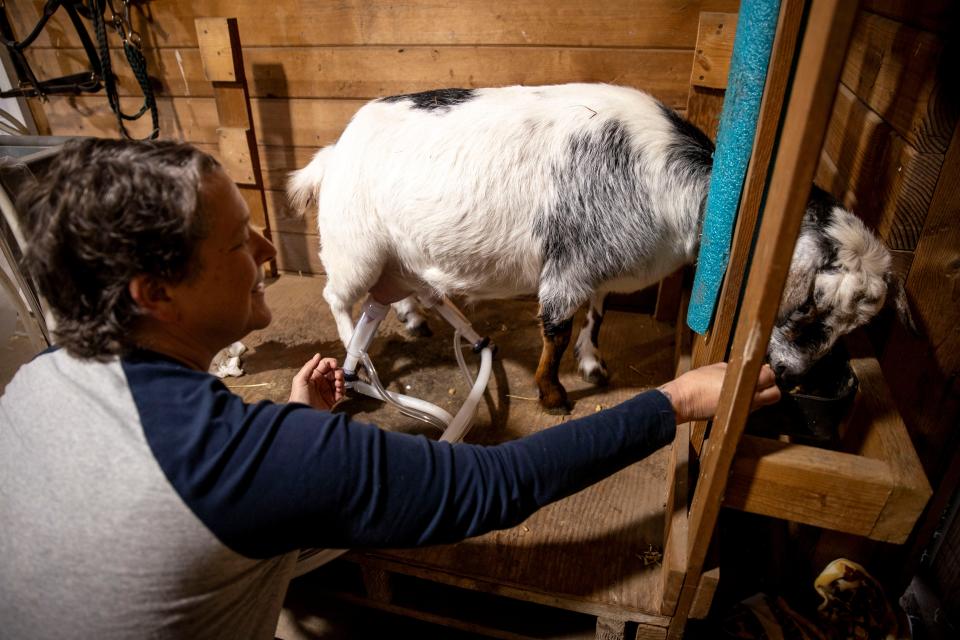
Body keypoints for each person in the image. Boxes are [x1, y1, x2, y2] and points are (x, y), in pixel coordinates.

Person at [0, 138, 780, 639]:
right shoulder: (252, 463)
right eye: (240, 239)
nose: (271, 248)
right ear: (153, 293)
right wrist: (674, 401)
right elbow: (499, 484)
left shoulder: (34, 384)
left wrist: (292, 434)